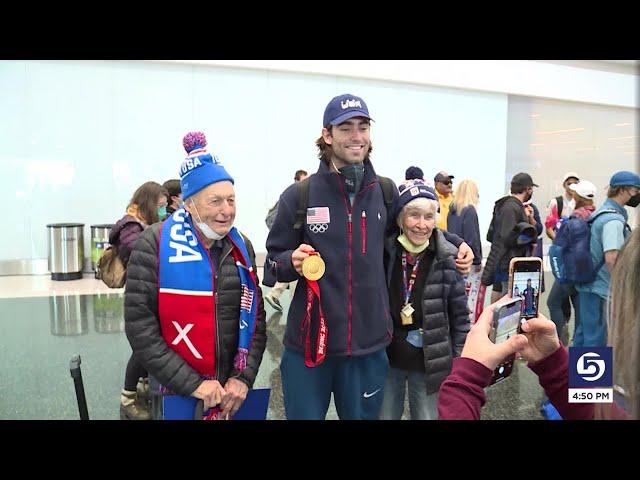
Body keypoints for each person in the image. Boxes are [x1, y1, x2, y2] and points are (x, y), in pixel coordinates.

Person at [265, 93, 474, 420]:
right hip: (308, 347)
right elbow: (273, 262)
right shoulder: (300, 196)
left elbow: (415, 228)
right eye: (346, 127)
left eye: (363, 127)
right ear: (327, 135)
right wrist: (289, 260)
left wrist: (455, 242)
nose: (356, 135)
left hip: (368, 346)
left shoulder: (386, 193)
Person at [124, 131, 267, 420]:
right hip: (175, 393)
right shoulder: (154, 244)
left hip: (231, 393)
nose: (227, 211)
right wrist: (194, 384)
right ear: (189, 205)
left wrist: (243, 378)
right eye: (215, 201)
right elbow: (140, 327)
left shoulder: (241, 247)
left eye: (231, 200)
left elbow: (257, 318)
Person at [438, 227, 640, 420]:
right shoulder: (613, 218)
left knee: (592, 342)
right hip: (588, 289)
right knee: (587, 339)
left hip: (591, 290)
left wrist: (465, 382)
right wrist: (556, 365)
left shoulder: (605, 218)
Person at [380, 180, 469, 420]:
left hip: (430, 360)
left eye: (429, 217)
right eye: (414, 216)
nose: (421, 225)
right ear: (400, 218)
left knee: (427, 416)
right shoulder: (386, 252)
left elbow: (460, 316)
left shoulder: (447, 257)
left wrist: (460, 363)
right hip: (389, 357)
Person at [110, 181, 167, 420]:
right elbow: (136, 248)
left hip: (149, 291)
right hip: (138, 296)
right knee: (141, 349)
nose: (164, 210)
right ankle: (127, 398)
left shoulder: (145, 223)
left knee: (150, 345)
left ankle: (142, 385)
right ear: (149, 203)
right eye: (161, 206)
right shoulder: (131, 225)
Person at [574, 171, 639, 347]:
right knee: (597, 339)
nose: (637, 195)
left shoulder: (602, 212)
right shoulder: (613, 221)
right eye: (636, 190)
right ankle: (594, 376)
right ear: (623, 190)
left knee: (584, 334)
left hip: (589, 286)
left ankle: (577, 375)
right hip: (601, 290)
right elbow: (612, 258)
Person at [546, 180, 597, 340]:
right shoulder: (594, 215)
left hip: (569, 272)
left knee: (553, 302)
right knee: (580, 311)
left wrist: (560, 274)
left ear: (577, 196)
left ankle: (559, 343)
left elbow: (559, 248)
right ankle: (578, 345)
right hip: (586, 273)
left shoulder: (574, 219)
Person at [482, 172, 539, 303]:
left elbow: (493, 235)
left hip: (507, 262)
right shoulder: (511, 208)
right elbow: (507, 237)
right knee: (508, 305)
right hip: (508, 263)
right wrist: (528, 234)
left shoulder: (508, 206)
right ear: (527, 189)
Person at [263, 169, 309, 313]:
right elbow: (273, 220)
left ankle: (275, 295)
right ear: (297, 180)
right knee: (294, 272)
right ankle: (294, 309)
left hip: (299, 248)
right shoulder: (290, 198)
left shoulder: (307, 197)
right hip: (292, 248)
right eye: (304, 180)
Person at [544, 172, 579, 241]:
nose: (572, 186)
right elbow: (549, 228)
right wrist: (558, 242)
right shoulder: (555, 202)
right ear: (564, 185)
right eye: (569, 184)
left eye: (575, 183)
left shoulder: (581, 203)